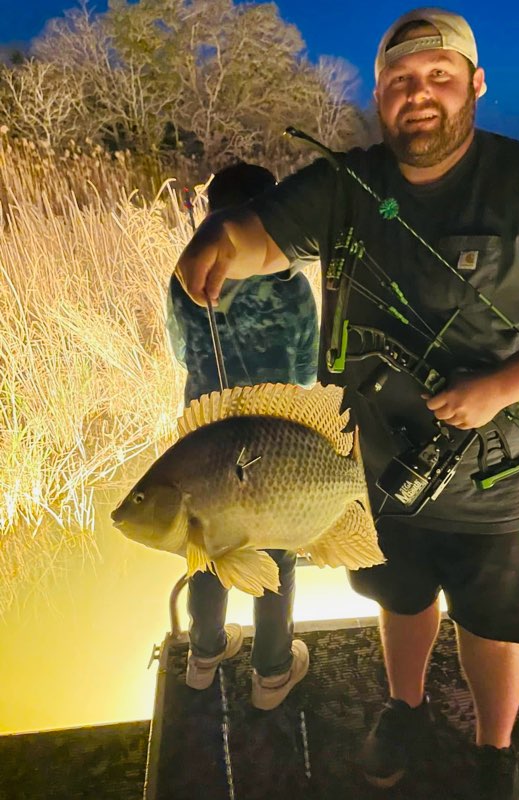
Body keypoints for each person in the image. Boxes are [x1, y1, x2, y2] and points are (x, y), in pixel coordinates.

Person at [174, 10, 519, 799]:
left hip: (499, 481)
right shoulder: (347, 186)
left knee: (491, 623)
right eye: (401, 82)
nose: (421, 96)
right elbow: (263, 236)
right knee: (400, 598)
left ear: (475, 85)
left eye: (440, 77)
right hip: (375, 470)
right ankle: (404, 708)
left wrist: (498, 389)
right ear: (381, 95)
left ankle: (495, 752)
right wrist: (219, 240)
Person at [168, 161, 319, 710]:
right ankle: (271, 672)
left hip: (207, 432)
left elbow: (179, 352)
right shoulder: (293, 286)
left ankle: (204, 655)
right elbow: (306, 372)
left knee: (207, 542)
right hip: (272, 438)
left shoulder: (187, 278)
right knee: (275, 551)